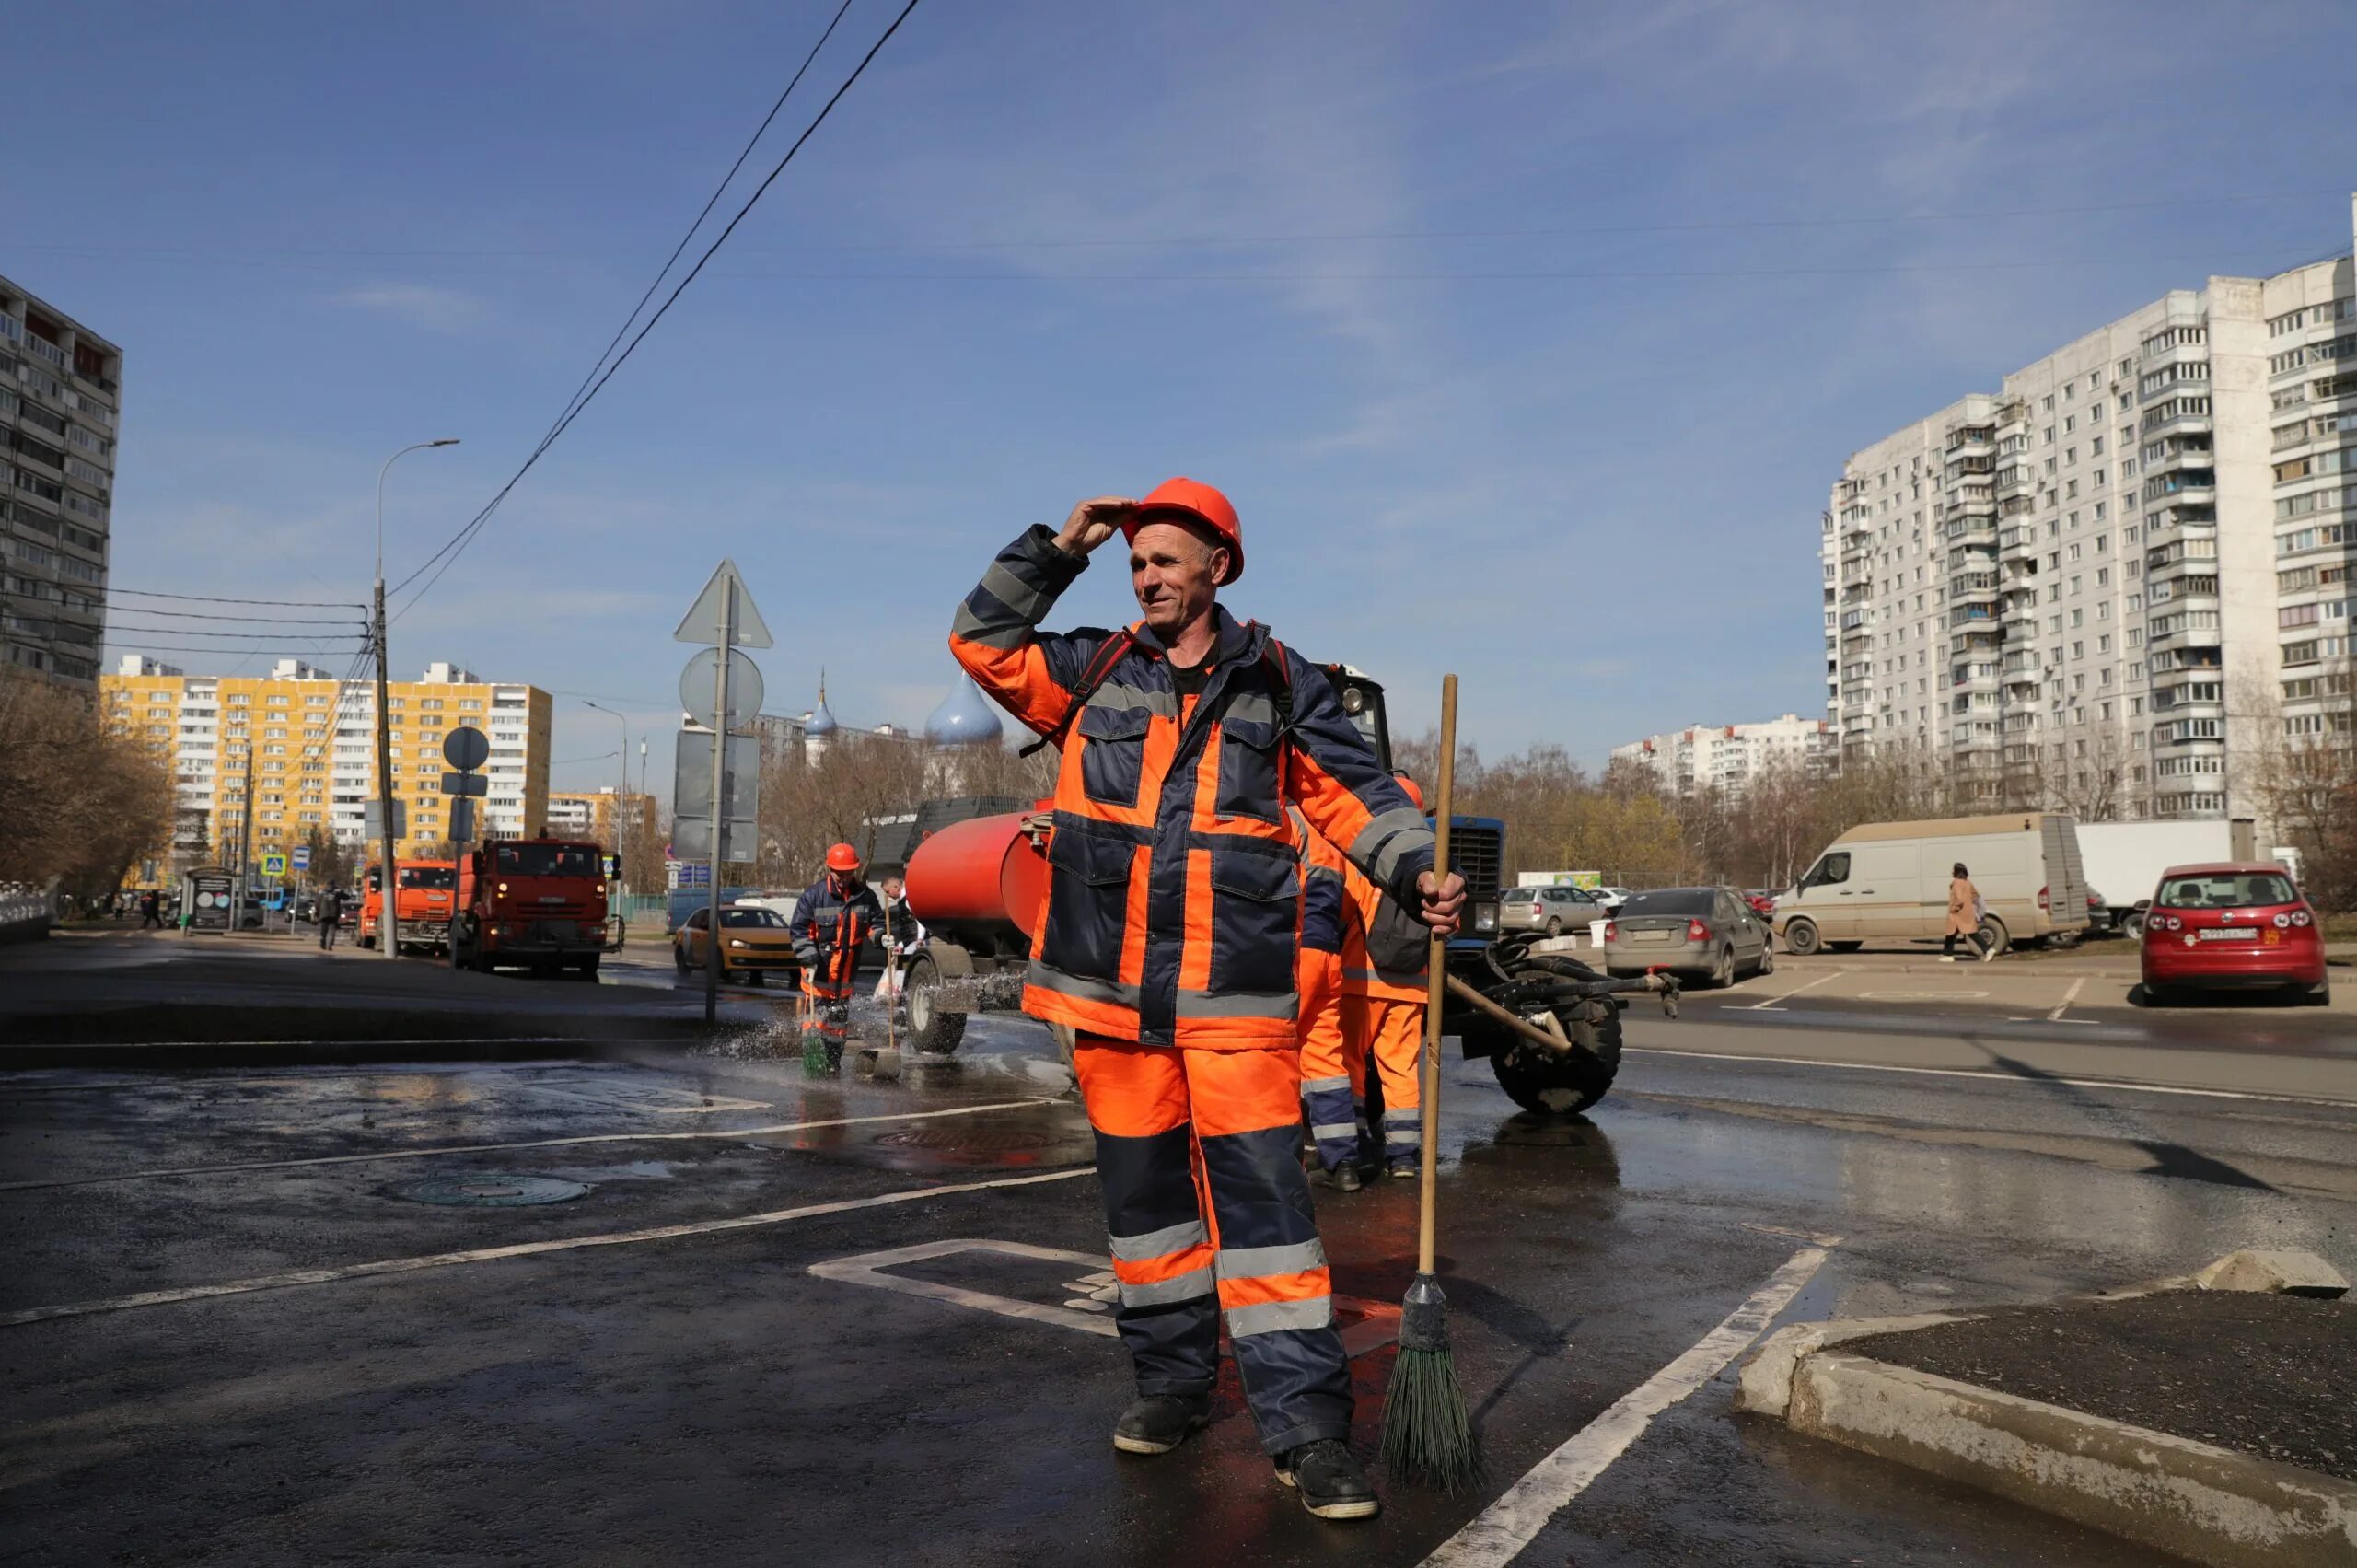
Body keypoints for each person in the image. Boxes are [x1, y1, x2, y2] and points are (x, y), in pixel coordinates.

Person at [949, 481, 1463, 1523]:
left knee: (1268, 1216)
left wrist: (1418, 870)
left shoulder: (1280, 682)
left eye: (1165, 562)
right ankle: (1173, 1387)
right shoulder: (1089, 666)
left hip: (1232, 999)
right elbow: (979, 636)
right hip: (1109, 999)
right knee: (1147, 1218)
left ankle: (1308, 1432)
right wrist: (1062, 547)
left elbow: (1359, 797)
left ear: (1218, 567)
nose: (1146, 579)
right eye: (1137, 564)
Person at [1341, 771, 1433, 1179]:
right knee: (1400, 1071)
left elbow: (1342, 913)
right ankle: (1403, 1158)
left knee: (1351, 1066)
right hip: (1411, 986)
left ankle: (1357, 1144)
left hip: (1360, 982)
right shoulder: (1431, 865)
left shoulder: (1365, 861)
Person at [1293, 815, 1365, 1191]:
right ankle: (1344, 1164)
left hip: (1294, 952)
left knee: (1273, 1055)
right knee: (1324, 1061)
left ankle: (1280, 1166)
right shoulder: (1328, 836)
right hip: (1328, 957)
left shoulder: (1282, 817)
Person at [790, 844, 910, 1070]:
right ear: (830, 869)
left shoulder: (865, 896)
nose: (843, 877)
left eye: (847, 873)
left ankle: (833, 1063)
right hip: (818, 972)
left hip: (845, 976)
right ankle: (814, 1064)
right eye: (839, 872)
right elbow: (799, 931)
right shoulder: (814, 896)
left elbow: (873, 925)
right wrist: (808, 958)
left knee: (837, 1026)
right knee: (813, 1025)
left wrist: (881, 937)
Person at [871, 871, 923, 1001]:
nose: (888, 896)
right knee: (900, 970)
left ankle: (898, 997)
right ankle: (897, 997)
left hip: (915, 943)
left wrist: (920, 938)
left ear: (896, 887)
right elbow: (907, 928)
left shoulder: (909, 899)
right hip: (909, 942)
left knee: (902, 971)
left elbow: (919, 919)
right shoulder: (902, 902)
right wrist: (901, 945)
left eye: (888, 892)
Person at [1942, 862, 1992, 962]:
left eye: (1953, 870)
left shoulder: (1957, 883)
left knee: (1957, 933)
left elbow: (1959, 899)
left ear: (1957, 872)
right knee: (1955, 934)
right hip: (1966, 913)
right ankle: (1948, 954)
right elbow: (1975, 895)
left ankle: (1987, 950)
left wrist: (1954, 909)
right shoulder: (1967, 882)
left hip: (1958, 914)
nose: (1952, 872)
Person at [317, 886, 343, 951]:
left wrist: (318, 913)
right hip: (333, 916)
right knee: (332, 932)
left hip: (324, 915)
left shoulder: (322, 893)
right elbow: (346, 897)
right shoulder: (336, 894)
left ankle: (322, 944)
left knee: (323, 932)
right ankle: (329, 945)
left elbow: (317, 904)